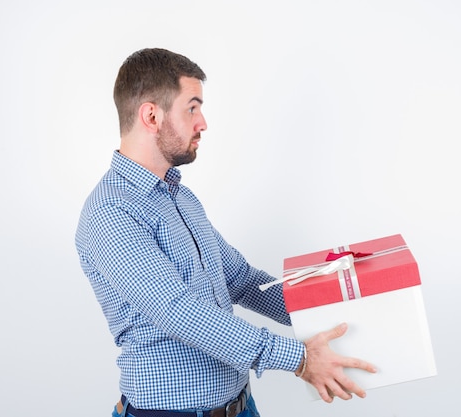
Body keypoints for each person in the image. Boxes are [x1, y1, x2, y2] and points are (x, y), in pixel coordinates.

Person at [75, 48, 376, 417]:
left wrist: (333, 307)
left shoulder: (181, 199)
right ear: (151, 115)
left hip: (241, 407)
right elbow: (178, 311)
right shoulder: (111, 212)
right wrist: (299, 359)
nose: (203, 122)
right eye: (192, 107)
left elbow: (242, 280)